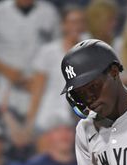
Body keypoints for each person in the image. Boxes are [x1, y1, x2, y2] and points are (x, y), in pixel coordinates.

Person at [0, 0, 60, 121]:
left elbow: (59, 49)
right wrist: (8, 72)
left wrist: (40, 80)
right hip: (5, 88)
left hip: (39, 88)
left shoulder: (49, 12)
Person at [29, 5, 87, 136]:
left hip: (77, 121)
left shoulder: (91, 52)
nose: (76, 26)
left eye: (80, 22)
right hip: (48, 119)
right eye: (72, 22)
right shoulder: (48, 52)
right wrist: (30, 122)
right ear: (63, 25)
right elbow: (37, 90)